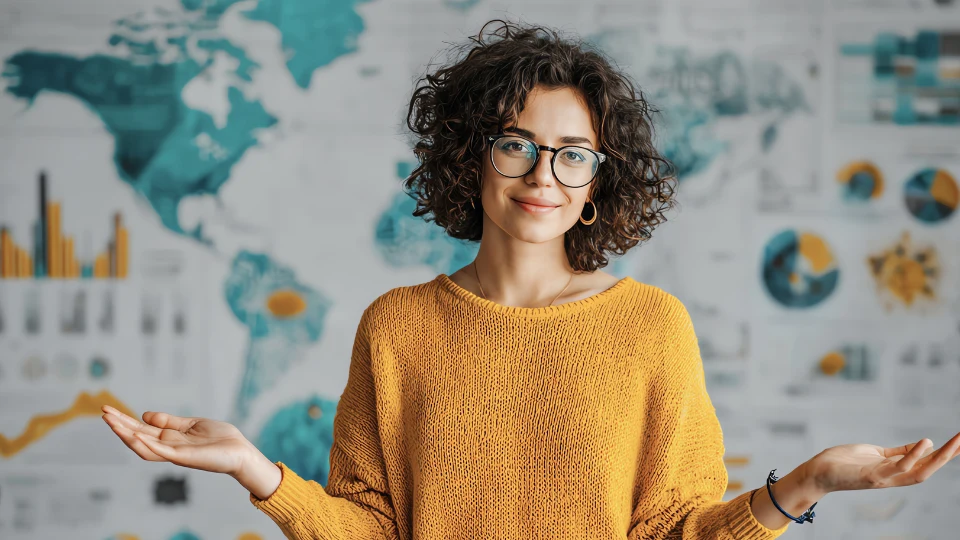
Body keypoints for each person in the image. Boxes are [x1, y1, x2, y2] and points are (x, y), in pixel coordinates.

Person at [102, 19, 960, 540]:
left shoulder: (651, 327)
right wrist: (259, 471)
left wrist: (807, 482)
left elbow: (675, 534)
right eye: (516, 143)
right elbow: (371, 529)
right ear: (470, 159)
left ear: (596, 183)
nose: (543, 173)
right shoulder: (395, 325)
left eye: (572, 154)